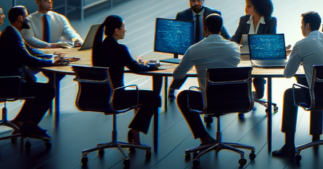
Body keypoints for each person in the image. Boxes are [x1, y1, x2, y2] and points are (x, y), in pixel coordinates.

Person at [0, 6, 67, 139]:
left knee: (37, 89)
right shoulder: (11, 35)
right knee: (48, 90)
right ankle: (30, 125)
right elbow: (27, 58)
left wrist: (52, 57)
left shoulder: (12, 32)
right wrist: (51, 62)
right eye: (27, 16)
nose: (29, 19)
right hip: (9, 84)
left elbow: (31, 51)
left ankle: (20, 122)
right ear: (20, 18)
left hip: (10, 80)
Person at [272, 12, 323, 158]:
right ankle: (316, 137)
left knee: (290, 94)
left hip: (317, 97)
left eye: (301, 25)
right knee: (314, 85)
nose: (301, 28)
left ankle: (289, 145)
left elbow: (288, 74)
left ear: (307, 26)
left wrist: (295, 58)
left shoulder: (301, 44)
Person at [169, 14, 240, 145]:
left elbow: (177, 75)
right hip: (235, 101)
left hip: (207, 102)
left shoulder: (194, 49)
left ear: (205, 28)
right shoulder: (234, 48)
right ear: (221, 29)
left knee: (183, 97)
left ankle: (204, 137)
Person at [91, 15, 162, 146]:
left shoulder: (98, 48)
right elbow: (136, 68)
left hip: (98, 97)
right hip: (117, 98)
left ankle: (135, 131)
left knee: (146, 97)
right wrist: (150, 65)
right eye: (123, 26)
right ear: (117, 30)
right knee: (154, 97)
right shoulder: (120, 49)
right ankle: (135, 130)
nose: (125, 30)